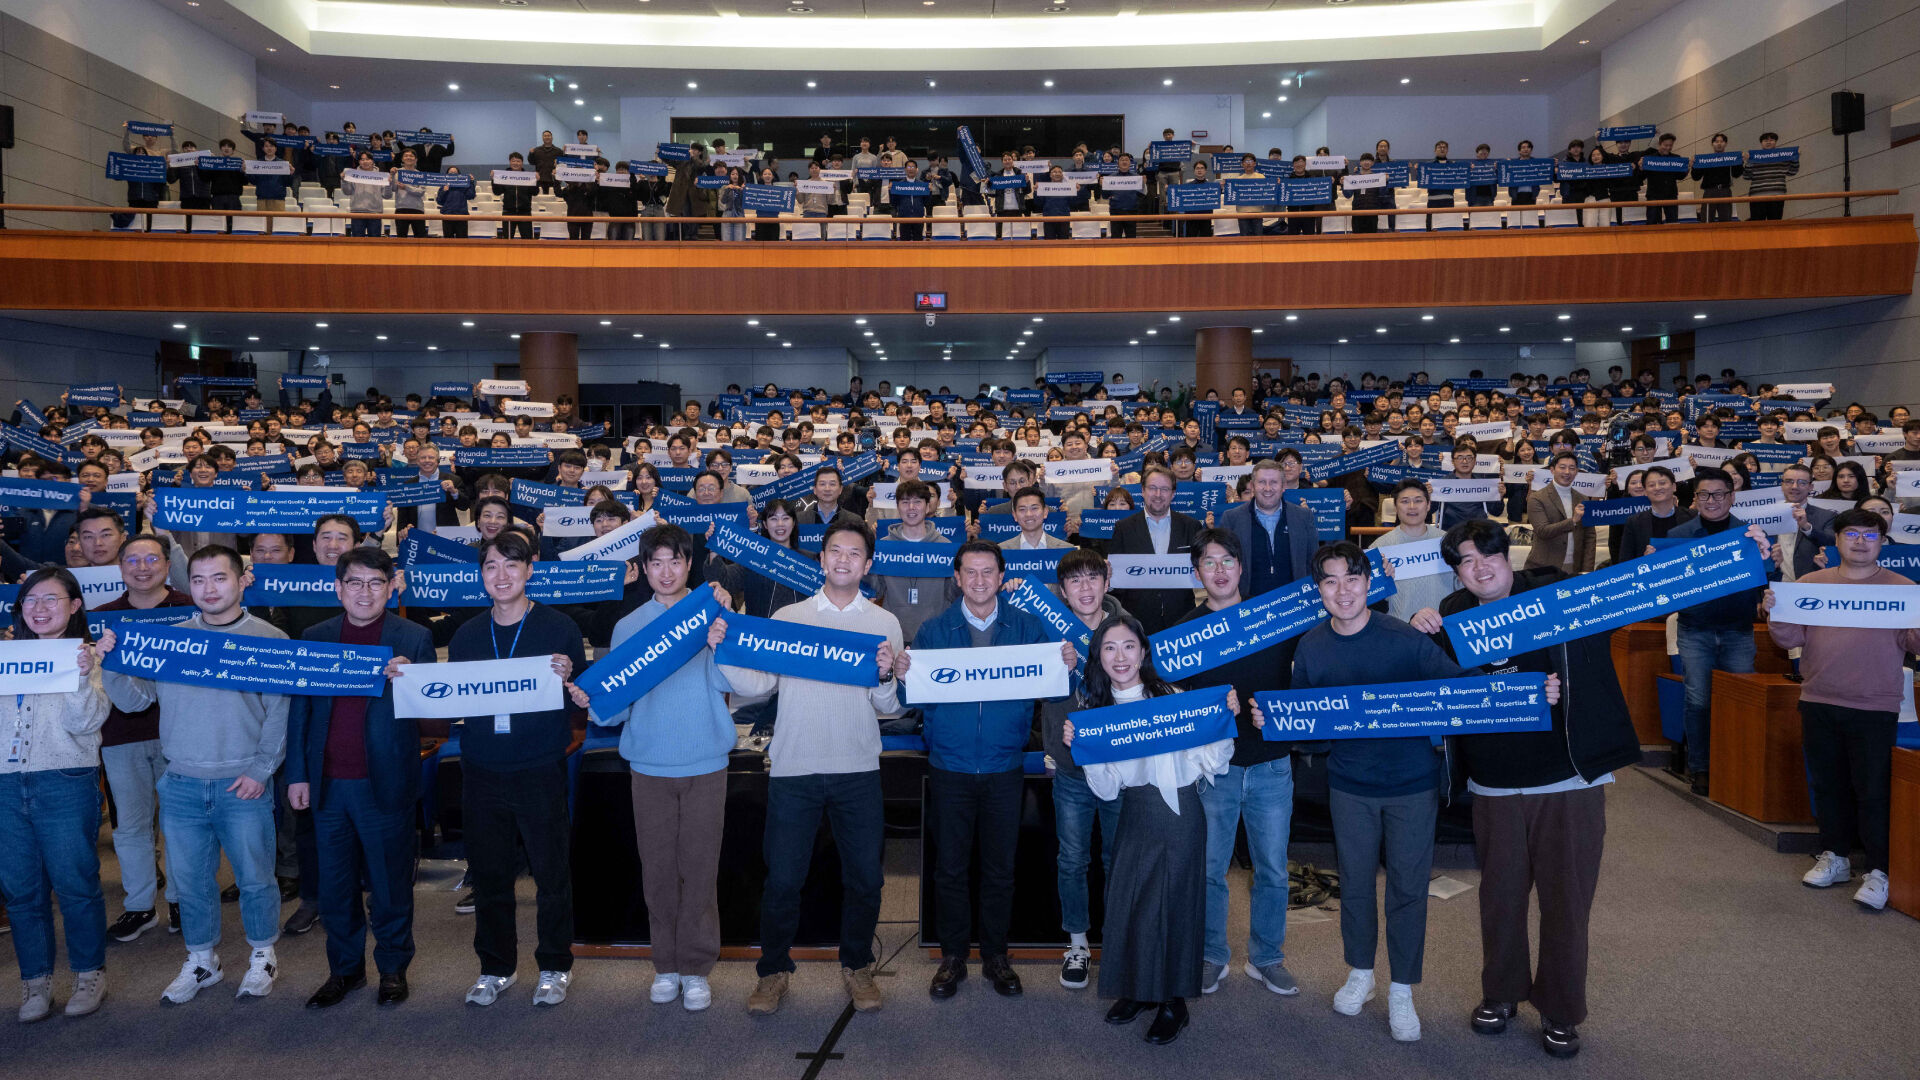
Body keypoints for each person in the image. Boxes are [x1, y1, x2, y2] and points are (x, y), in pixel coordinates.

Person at [1410, 521, 1628, 1059]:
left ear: (1510, 557)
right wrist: (1417, 628)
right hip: (1494, 785)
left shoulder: (1555, 596)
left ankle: (1560, 1009)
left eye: (1489, 554)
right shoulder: (1451, 616)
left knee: (1565, 902)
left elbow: (1636, 597)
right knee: (1500, 900)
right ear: (1456, 569)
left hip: (1567, 780)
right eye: (1465, 560)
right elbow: (1432, 684)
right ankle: (1501, 993)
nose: (1480, 566)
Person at [1259, 542, 1462, 1042]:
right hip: (1349, 787)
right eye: (1330, 581)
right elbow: (1312, 731)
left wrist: (1520, 693)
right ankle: (1361, 974)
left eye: (1352, 578)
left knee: (1408, 890)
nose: (1343, 590)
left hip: (1412, 786)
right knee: (1353, 884)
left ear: (1370, 583)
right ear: (1319, 591)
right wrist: (1278, 723)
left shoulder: (1405, 639)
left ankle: (1403, 989)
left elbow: (1461, 691)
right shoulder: (1310, 647)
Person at [717, 520, 901, 1017]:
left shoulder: (884, 624)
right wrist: (724, 648)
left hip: (858, 767)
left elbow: (889, 705)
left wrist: (887, 675)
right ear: (821, 559)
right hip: (795, 768)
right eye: (834, 551)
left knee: (866, 878)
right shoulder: (790, 614)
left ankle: (857, 964)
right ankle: (773, 971)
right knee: (782, 880)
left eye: (854, 553)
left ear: (867, 564)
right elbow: (758, 686)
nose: (843, 560)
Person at [98, 545, 290, 1004]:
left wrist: (262, 771)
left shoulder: (270, 638)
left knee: (256, 878)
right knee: (191, 883)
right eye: (200, 580)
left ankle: (263, 954)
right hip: (181, 782)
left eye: (219, 578)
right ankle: (202, 961)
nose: (209, 589)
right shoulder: (171, 640)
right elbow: (133, 701)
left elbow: (280, 714)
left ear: (243, 580)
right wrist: (111, 661)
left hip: (243, 783)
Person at [572, 525, 735, 1012]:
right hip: (648, 765)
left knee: (701, 872)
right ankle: (665, 964)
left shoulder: (713, 615)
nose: (666, 571)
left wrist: (723, 636)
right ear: (643, 570)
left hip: (707, 761)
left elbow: (740, 681)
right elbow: (616, 705)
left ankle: (696, 968)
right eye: (656, 563)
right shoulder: (628, 626)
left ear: (690, 565)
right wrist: (591, 700)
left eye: (675, 561)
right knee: (659, 873)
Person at [898, 541, 1069, 999]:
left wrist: (1065, 666)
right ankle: (953, 956)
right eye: (969, 573)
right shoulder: (933, 630)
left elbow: (1052, 692)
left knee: (1000, 868)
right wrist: (900, 673)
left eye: (987, 573)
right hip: (949, 765)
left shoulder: (1028, 627)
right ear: (957, 578)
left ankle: (996, 955)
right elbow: (910, 699)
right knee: (950, 868)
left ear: (1000, 577)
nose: (978, 581)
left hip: (1003, 766)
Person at [1065, 615, 1234, 1045]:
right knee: (1133, 900)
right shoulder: (1096, 714)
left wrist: (1222, 720)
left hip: (1181, 811)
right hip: (1136, 813)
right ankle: (1140, 991)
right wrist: (1083, 749)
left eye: (1128, 646)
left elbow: (1215, 762)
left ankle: (1174, 1003)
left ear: (1143, 652)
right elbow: (1105, 790)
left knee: (1176, 903)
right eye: (1109, 648)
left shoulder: (1177, 697)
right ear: (1098, 658)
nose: (1119, 656)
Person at [281, 548, 433, 1009]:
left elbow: (432, 712)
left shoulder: (414, 637)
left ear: (391, 587)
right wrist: (297, 776)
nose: (365, 592)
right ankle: (345, 971)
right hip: (327, 786)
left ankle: (392, 969)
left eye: (375, 583)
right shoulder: (315, 636)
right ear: (338, 588)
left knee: (389, 886)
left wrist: (411, 681)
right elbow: (300, 712)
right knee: (335, 887)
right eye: (355, 583)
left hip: (383, 783)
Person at [446, 531, 585, 1007]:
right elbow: (447, 697)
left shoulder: (559, 627)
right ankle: (496, 967)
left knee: (551, 874)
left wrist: (572, 677)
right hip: (482, 769)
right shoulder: (465, 635)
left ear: (530, 570)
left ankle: (554, 965)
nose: (501, 576)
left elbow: (584, 694)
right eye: (491, 567)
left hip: (539, 766)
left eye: (511, 566)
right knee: (490, 877)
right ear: (481, 575)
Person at [1763, 508, 1920, 911]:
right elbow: (1788, 638)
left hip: (1875, 705)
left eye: (1870, 536)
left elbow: (1916, 644)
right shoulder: (1811, 583)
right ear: (1837, 541)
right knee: (1828, 785)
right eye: (1852, 534)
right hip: (1819, 699)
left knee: (1872, 791)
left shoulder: (1903, 588)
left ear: (1882, 543)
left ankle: (1878, 870)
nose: (1860, 542)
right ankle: (1834, 856)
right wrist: (1775, 610)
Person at [1173, 529, 1304, 998]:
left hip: (1271, 764)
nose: (1220, 570)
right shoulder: (1186, 632)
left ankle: (1267, 958)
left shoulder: (1271, 619)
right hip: (1215, 771)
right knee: (1210, 869)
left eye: (1227, 560)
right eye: (1209, 563)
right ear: (1197, 572)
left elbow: (1311, 665)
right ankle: (1212, 955)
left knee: (1272, 868)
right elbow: (1173, 705)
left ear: (1241, 567)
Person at [1, 567, 110, 1022]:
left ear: (74, 606)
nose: (40, 608)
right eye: (31, 600)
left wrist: (83, 676)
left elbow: (86, 724)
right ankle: (35, 983)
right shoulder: (6, 655)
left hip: (64, 780)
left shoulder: (88, 656)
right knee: (21, 891)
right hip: (7, 784)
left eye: (51, 599)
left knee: (76, 885)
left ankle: (89, 975)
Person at [1032, 549, 1129, 989]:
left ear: (1107, 582)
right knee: (1072, 859)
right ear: (1063, 590)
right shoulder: (1046, 628)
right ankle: (1077, 943)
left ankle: (1121, 941)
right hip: (1070, 769)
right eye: (1075, 581)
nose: (1085, 588)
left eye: (1093, 578)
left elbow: (1145, 687)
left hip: (1120, 768)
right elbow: (1033, 688)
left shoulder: (1127, 628)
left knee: (1118, 858)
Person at [95, 534, 190, 942]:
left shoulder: (190, 608)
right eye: (133, 560)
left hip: (182, 734)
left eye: (152, 558)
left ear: (167, 565)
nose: (143, 567)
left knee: (180, 826)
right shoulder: (103, 617)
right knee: (132, 828)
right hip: (121, 736)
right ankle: (139, 906)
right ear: (121, 568)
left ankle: (183, 900)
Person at [1664, 467, 1774, 794]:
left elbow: (1765, 582)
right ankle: (1700, 767)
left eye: (1718, 494)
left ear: (1732, 497)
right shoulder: (1678, 536)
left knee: (1741, 699)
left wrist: (1773, 560)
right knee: (1698, 700)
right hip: (1695, 628)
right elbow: (1668, 587)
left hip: (1738, 630)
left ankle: (1737, 765)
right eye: (1703, 495)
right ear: (1695, 498)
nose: (1711, 501)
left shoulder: (1751, 534)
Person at [1107, 466, 1204, 635]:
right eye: (1152, 488)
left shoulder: (1192, 526)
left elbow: (1201, 572)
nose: (1158, 495)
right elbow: (1117, 580)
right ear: (1142, 491)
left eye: (1164, 489)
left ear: (1173, 493)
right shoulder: (1124, 528)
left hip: (1182, 618)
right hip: (1136, 621)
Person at [868, 480, 960, 645]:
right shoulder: (884, 546)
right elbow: (876, 590)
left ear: (927, 506)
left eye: (917, 502)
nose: (911, 508)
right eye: (905, 502)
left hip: (935, 636)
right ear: (898, 507)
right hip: (894, 635)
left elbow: (953, 594)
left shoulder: (945, 547)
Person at [1219, 459, 1321, 596]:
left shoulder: (1304, 517)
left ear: (1283, 486)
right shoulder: (1231, 518)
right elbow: (1224, 565)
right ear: (1253, 486)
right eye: (1262, 482)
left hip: (1294, 604)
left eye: (1274, 482)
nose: (1268, 488)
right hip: (1246, 606)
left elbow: (1313, 563)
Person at [1368, 479, 1459, 621]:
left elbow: (1461, 587)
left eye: (1418, 501)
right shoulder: (1379, 548)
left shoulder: (1448, 541)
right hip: (1400, 630)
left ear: (1428, 505)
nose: (1412, 506)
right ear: (1395, 506)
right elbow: (1372, 600)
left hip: (1444, 628)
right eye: (1404, 501)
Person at [1524, 452, 1595, 572]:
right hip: (1544, 567)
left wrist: (1587, 569)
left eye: (1572, 468)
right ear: (1552, 470)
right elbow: (1542, 531)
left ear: (1577, 471)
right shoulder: (1537, 498)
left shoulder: (1583, 498)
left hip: (1574, 566)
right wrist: (1572, 521)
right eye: (1562, 467)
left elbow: (1589, 536)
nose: (1567, 472)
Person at [1617, 465, 1693, 559]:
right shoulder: (1634, 522)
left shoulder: (1692, 517)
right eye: (1651, 485)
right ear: (1645, 491)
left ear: (1674, 487)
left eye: (1662, 483)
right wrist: (1644, 560)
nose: (1657, 488)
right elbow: (1625, 561)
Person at [1745, 131, 1799, 222]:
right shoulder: (1754, 157)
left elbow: (1792, 172)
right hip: (1757, 196)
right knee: (1757, 225)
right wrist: (1748, 162)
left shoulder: (1783, 156)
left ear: (1776, 142)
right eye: (1765, 140)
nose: (1768, 142)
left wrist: (1795, 158)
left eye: (1771, 140)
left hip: (1777, 196)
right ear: (1761, 143)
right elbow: (1746, 176)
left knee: (1775, 224)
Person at [1690, 132, 1742, 223]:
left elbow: (1736, 174)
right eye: (1716, 141)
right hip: (1709, 191)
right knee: (1706, 219)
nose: (1719, 144)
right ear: (1712, 144)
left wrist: (1740, 162)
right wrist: (1694, 165)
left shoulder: (1730, 158)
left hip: (1725, 190)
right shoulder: (1706, 159)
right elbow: (1696, 177)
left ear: (1725, 144)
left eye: (1721, 141)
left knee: (1726, 219)